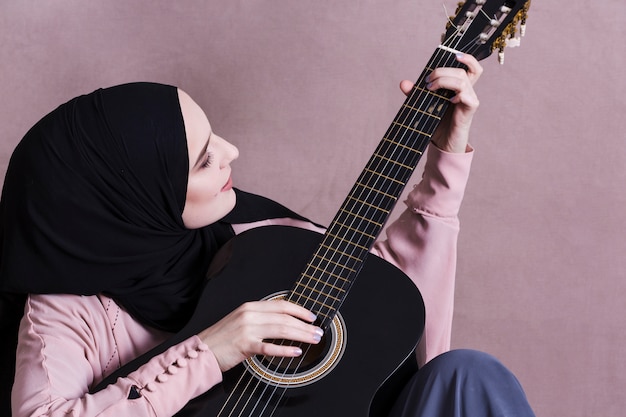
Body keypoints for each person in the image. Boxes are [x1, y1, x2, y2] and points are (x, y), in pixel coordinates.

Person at [0, 54, 535, 416]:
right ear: (137, 200)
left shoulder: (258, 233)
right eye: (204, 159)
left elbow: (389, 300)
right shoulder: (66, 313)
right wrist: (208, 351)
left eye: (216, 137)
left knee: (469, 374)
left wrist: (444, 159)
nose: (232, 153)